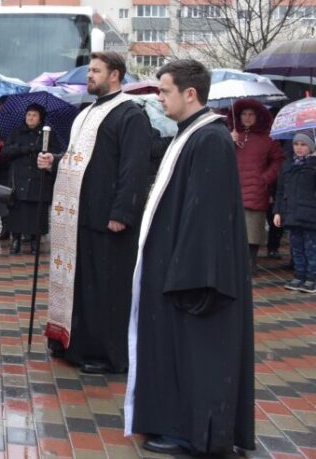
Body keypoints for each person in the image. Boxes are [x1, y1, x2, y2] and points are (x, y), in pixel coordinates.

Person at [125, 59, 254, 455]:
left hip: (195, 277)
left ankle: (193, 433)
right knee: (178, 354)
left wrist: (190, 275)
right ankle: (176, 422)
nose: (159, 98)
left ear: (190, 93)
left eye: (164, 91)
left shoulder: (209, 140)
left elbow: (207, 216)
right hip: (176, 269)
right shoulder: (190, 135)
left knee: (199, 358)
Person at [37, 52, 151, 374]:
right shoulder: (86, 113)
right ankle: (74, 343)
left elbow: (134, 169)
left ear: (115, 75)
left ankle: (108, 353)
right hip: (78, 216)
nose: (89, 76)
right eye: (89, 70)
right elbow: (81, 161)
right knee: (81, 285)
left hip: (109, 219)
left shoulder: (130, 115)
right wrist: (55, 162)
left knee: (106, 289)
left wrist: (122, 212)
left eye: (96, 71)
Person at [228, 99, 283, 274]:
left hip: (256, 188)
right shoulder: (230, 135)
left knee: (253, 229)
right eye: (244, 114)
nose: (247, 117)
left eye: (251, 114)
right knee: (232, 228)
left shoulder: (268, 138)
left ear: (258, 116)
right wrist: (228, 141)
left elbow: (279, 160)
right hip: (232, 187)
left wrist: (265, 178)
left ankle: (250, 264)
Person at [0, 103, 59, 255]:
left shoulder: (47, 135)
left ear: (40, 119)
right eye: (28, 115)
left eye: (34, 115)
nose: (30, 118)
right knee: (17, 212)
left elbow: (56, 153)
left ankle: (34, 242)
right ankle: (16, 241)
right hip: (19, 179)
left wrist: (45, 152)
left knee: (36, 214)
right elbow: (5, 152)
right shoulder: (16, 132)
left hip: (39, 179)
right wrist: (22, 149)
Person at [273, 133, 316, 293]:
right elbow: (280, 190)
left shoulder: (313, 166)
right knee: (296, 247)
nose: (299, 148)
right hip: (292, 213)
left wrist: (312, 161)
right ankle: (299, 274)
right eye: (296, 144)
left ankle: (312, 277)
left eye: (303, 144)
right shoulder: (288, 166)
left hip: (310, 214)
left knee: (311, 247)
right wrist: (278, 211)